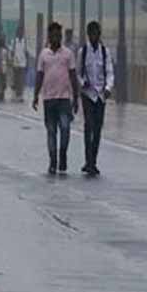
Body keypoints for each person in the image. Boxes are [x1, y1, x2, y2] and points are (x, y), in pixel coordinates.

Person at [33, 21, 81, 175]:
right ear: (49, 36)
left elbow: (73, 76)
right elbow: (39, 75)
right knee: (51, 131)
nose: (56, 38)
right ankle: (53, 160)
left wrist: (76, 97)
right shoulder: (43, 55)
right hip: (48, 99)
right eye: (53, 35)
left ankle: (63, 154)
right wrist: (35, 95)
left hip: (64, 99)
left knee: (65, 128)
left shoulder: (68, 54)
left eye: (58, 35)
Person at [79, 20, 114, 176]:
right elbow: (78, 73)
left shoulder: (105, 52)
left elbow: (110, 72)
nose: (94, 37)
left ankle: (93, 160)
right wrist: (82, 83)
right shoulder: (83, 52)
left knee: (98, 129)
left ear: (99, 35)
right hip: (88, 94)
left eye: (96, 34)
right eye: (91, 34)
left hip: (100, 95)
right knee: (89, 126)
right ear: (88, 35)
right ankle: (88, 161)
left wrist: (108, 88)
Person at [11, 26, 28, 101]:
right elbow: (12, 52)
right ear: (17, 33)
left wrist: (27, 63)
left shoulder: (25, 42)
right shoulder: (14, 42)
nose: (20, 33)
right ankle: (14, 95)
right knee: (15, 80)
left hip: (23, 64)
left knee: (21, 80)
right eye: (19, 32)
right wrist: (12, 62)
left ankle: (20, 95)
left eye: (22, 32)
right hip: (15, 64)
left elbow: (26, 53)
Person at [0, 35, 9, 102]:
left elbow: (7, 59)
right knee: (0, 82)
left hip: (3, 67)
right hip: (0, 68)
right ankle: (0, 95)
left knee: (2, 82)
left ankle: (1, 95)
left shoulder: (5, 50)